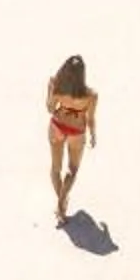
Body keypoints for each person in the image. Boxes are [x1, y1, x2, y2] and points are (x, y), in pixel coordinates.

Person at [47, 54, 98, 226]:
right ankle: (62, 201)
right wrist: (93, 134)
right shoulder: (90, 95)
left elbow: (50, 108)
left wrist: (50, 90)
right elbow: (90, 119)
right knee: (72, 169)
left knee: (55, 168)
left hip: (57, 126)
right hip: (77, 131)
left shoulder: (56, 86)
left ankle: (61, 204)